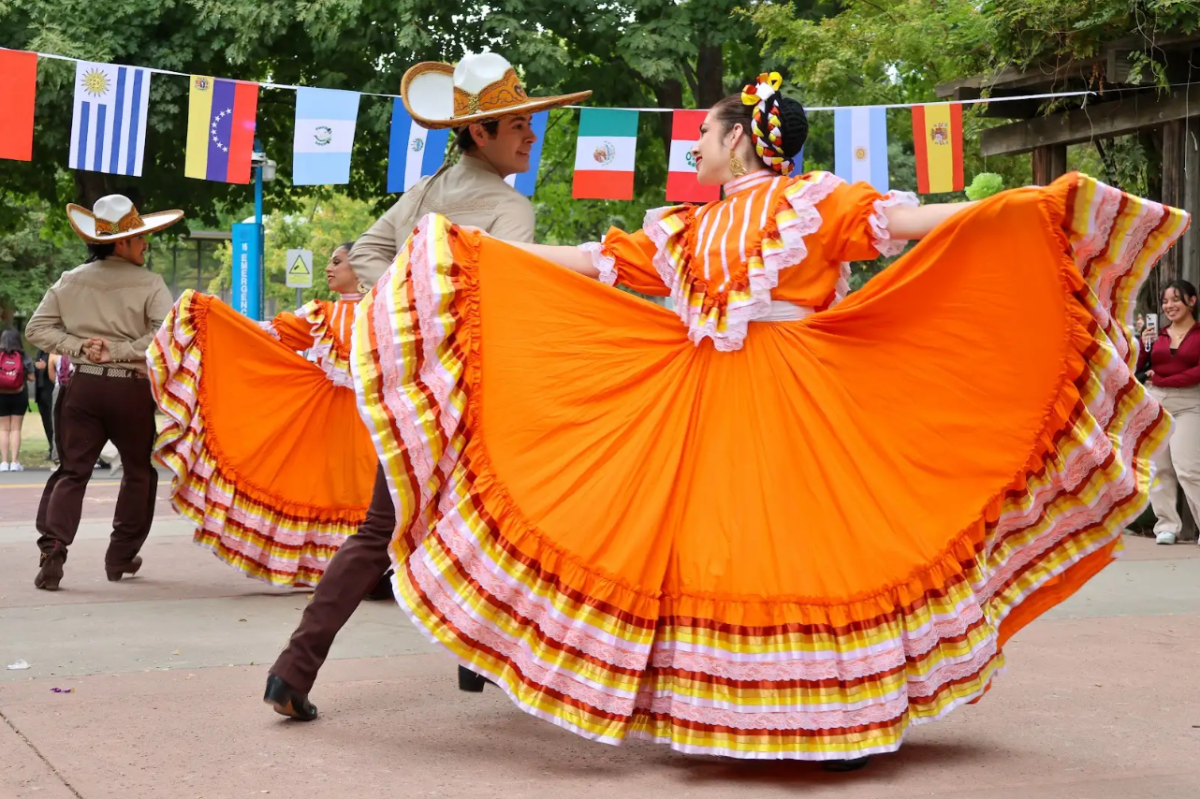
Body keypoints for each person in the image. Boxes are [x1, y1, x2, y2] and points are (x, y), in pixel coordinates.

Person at [346, 71, 1187, 767]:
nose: (696, 148)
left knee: (768, 542)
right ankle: (789, 708)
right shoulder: (695, 224)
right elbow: (592, 262)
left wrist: (1017, 209)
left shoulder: (798, 205)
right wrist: (472, 251)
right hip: (737, 397)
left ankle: (791, 708)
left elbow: (902, 223)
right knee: (768, 540)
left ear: (741, 140)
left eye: (705, 137)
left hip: (783, 394)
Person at [261, 51, 589, 722]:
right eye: (519, 125)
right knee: (493, 522)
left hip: (409, 390)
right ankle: (477, 661)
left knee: (395, 528)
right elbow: (507, 306)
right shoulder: (506, 208)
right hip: (471, 398)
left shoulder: (426, 193)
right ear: (478, 133)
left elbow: (365, 256)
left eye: (529, 123)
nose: (531, 135)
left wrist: (408, 305)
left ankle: (298, 669)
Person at [148, 242, 378, 588]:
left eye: (337, 261)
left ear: (360, 269)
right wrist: (215, 317)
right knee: (323, 487)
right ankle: (343, 571)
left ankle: (372, 572)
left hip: (370, 417)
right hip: (328, 418)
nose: (329, 268)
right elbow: (266, 333)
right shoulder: (322, 314)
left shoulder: (386, 313)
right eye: (330, 261)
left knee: (365, 491)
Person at [24, 195, 180, 591]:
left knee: (72, 472)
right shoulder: (151, 284)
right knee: (138, 472)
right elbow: (167, 337)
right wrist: (122, 350)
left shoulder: (69, 280)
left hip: (84, 386)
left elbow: (36, 330)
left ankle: (53, 550)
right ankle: (120, 556)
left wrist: (79, 345)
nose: (146, 243)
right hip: (130, 390)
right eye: (141, 237)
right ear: (122, 242)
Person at [1139, 279, 1200, 545]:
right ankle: (1166, 526)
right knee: (1158, 467)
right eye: (1165, 301)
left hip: (1189, 403)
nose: (1169, 305)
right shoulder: (1159, 335)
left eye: (1176, 299)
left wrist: (1162, 380)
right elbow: (1139, 369)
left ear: (1191, 301)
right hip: (1157, 403)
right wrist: (1144, 344)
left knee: (1188, 468)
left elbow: (1197, 373)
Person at [0, 328, 35, 472]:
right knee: (15, 429)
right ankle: (15, 462)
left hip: (1, 395)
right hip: (19, 395)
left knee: (3, 429)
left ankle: (3, 463)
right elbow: (32, 378)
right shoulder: (23, 355)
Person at [32, 348, 55, 463]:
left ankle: (56, 450)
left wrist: (46, 366)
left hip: (51, 390)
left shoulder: (55, 350)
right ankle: (51, 448)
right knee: (46, 423)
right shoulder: (40, 351)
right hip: (40, 392)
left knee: (54, 422)